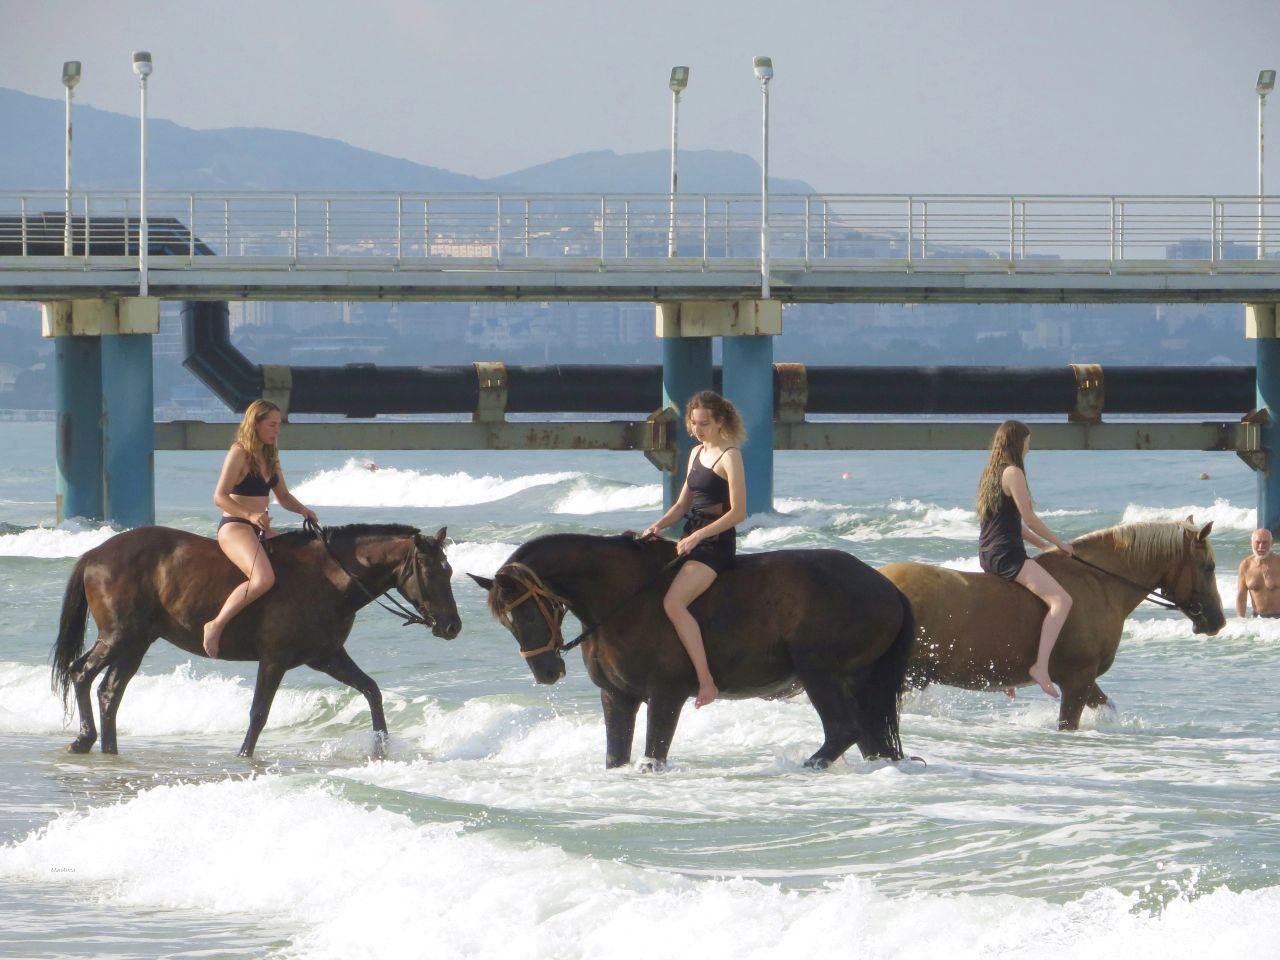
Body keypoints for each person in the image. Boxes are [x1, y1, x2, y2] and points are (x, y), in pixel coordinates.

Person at [641, 391, 747, 708]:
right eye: (694, 423)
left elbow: (738, 513)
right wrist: (656, 527)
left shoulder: (730, 456)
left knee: (674, 603)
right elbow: (682, 505)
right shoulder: (695, 453)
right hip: (691, 535)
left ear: (719, 422)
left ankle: (706, 681)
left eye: (704, 423)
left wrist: (700, 537)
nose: (698, 429)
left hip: (715, 544)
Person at [203, 399, 318, 659]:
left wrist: (303, 510)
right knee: (263, 579)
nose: (277, 430)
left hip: (261, 528)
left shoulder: (270, 456)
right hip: (236, 526)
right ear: (255, 424)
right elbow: (219, 497)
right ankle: (216, 625)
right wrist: (250, 515)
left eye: (279, 425)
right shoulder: (239, 453)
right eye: (272, 424)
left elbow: (284, 496)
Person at [976, 420, 1074, 699]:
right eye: (1028, 441)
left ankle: (1008, 673)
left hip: (988, 553)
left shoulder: (991, 473)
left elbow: (1013, 523)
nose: (1030, 446)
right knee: (1061, 601)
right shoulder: (1013, 472)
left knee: (1018, 607)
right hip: (1007, 555)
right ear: (1018, 442)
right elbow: (1028, 517)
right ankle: (1040, 667)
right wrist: (1060, 544)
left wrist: (1043, 545)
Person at [1236, 528, 1280, 618]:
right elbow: (1241, 596)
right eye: (1257, 542)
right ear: (1251, 543)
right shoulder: (1245, 565)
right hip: (1257, 620)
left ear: (1272, 543)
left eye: (1265, 542)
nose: (1261, 546)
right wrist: (1240, 620)